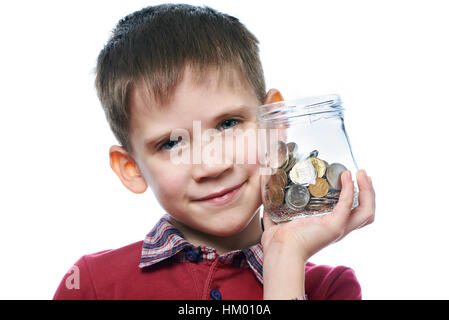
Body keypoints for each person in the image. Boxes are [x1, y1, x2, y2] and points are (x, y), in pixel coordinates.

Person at [53, 3, 375, 300]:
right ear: (131, 168)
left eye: (228, 124)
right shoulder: (91, 287)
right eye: (172, 142)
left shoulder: (331, 290)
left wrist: (284, 259)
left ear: (273, 123)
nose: (212, 165)